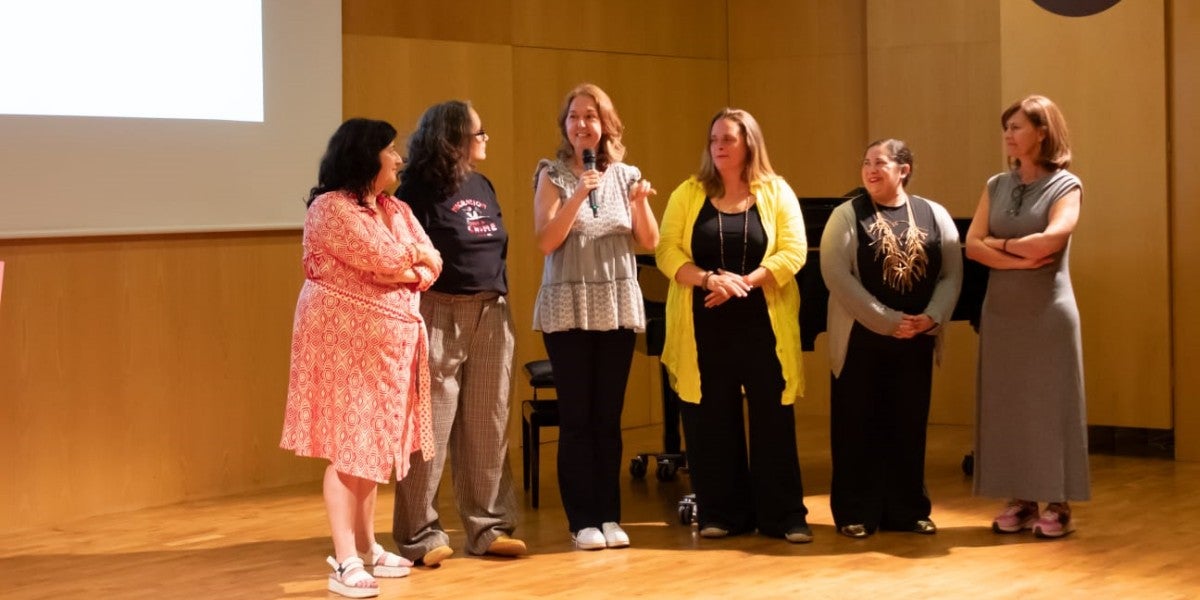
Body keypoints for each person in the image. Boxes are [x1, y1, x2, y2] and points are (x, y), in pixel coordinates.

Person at [280, 118, 442, 598]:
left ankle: (369, 546)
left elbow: (433, 261)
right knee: (348, 446)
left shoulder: (396, 207)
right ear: (365, 156)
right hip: (342, 344)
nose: (398, 158)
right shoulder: (330, 208)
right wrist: (408, 261)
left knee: (370, 447)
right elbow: (386, 260)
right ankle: (344, 559)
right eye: (390, 149)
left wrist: (409, 263)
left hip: (389, 347)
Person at [656, 108, 812, 543]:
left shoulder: (777, 191)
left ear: (749, 144)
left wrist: (743, 283)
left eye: (728, 139)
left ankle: (784, 517)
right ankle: (722, 514)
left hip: (763, 326)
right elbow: (666, 252)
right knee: (710, 420)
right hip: (703, 326)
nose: (719, 146)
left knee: (773, 420)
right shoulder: (689, 192)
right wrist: (710, 279)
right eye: (714, 139)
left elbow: (794, 251)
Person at [391, 101, 525, 565]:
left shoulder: (481, 184)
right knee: (430, 428)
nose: (485, 138)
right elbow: (408, 256)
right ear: (453, 138)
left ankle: (489, 527)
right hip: (438, 312)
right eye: (478, 132)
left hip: (492, 313)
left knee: (489, 423)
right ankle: (420, 535)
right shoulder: (415, 190)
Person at [531, 83, 659, 550]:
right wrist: (577, 195)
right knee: (577, 418)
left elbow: (650, 240)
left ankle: (609, 516)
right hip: (568, 306)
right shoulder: (551, 175)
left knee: (608, 417)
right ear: (565, 126)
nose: (582, 124)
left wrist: (640, 201)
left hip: (615, 304)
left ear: (605, 124)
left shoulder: (627, 176)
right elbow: (546, 241)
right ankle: (581, 520)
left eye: (590, 116)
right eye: (574, 116)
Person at [819, 139, 963, 538]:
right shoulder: (846, 215)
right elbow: (836, 276)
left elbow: (952, 274)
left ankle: (908, 510)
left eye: (880, 162)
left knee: (908, 426)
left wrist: (932, 317)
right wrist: (888, 321)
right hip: (861, 339)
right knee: (856, 426)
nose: (870, 169)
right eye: (866, 162)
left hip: (916, 337)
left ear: (904, 170)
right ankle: (855, 512)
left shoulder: (935, 214)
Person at [965, 95, 1088, 538]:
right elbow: (972, 245)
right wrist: (1014, 256)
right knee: (1009, 405)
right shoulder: (996, 184)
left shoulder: (1066, 185)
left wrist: (997, 247)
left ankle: (1058, 503)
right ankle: (1021, 499)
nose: (1008, 135)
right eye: (1006, 128)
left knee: (1050, 405)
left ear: (1042, 132)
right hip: (1002, 312)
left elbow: (1051, 240)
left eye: (1016, 127)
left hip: (1048, 312)